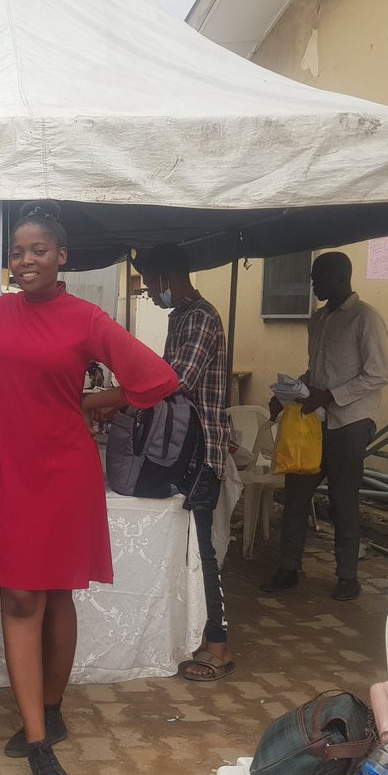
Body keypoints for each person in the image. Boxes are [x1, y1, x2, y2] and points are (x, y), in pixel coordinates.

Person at [0, 201, 179, 775]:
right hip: (11, 464)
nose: (25, 260)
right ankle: (39, 740)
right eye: (17, 253)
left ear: (61, 257)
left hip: (64, 469)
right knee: (20, 595)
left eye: (38, 250)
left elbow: (156, 379)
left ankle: (50, 713)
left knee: (57, 591)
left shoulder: (87, 318)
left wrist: (87, 404)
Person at [261, 251, 388, 602]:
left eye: (318, 278)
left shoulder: (366, 318)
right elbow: (316, 373)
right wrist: (287, 394)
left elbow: (378, 374)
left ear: (340, 277)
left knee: (343, 501)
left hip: (351, 422)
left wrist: (330, 396)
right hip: (313, 423)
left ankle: (347, 576)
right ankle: (288, 568)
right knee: (295, 496)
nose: (313, 285)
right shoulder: (317, 320)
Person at [136, 243, 234, 681]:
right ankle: (191, 632)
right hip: (180, 448)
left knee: (202, 549)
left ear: (166, 277)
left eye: (149, 285)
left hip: (201, 450)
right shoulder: (180, 317)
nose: (149, 293)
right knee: (185, 546)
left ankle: (219, 644)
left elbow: (178, 379)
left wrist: (126, 391)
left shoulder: (201, 317)